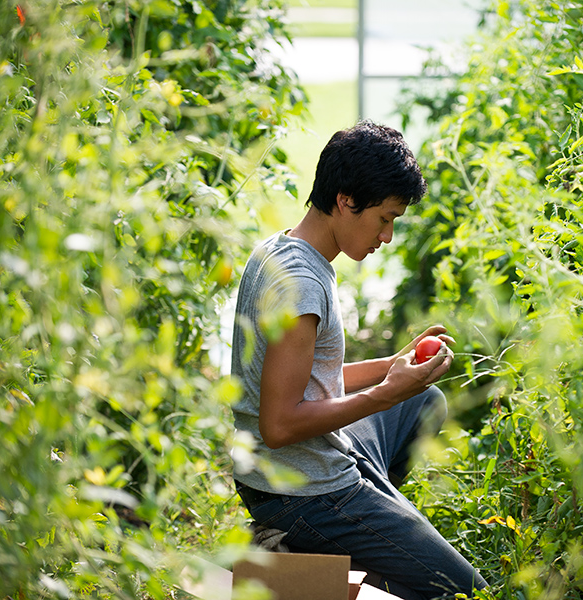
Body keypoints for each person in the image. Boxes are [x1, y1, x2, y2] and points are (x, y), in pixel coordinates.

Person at [230, 121, 487, 600]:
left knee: (423, 401)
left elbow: (304, 382)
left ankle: (361, 539)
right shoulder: (301, 284)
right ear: (347, 200)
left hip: (297, 468)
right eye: (385, 218)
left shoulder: (280, 250)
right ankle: (307, 564)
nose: (387, 235)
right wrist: (383, 393)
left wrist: (395, 364)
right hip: (298, 492)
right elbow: (280, 424)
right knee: (466, 592)